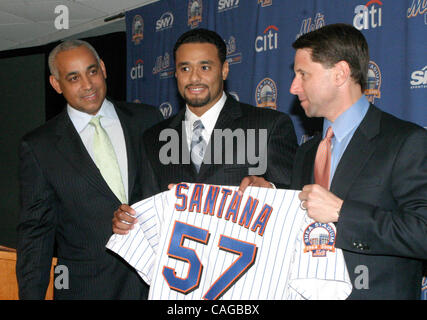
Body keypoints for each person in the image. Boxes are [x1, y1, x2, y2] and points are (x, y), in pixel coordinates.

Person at [16, 40, 163, 299]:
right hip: (87, 289)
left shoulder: (148, 120)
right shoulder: (40, 146)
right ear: (56, 84)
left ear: (103, 69)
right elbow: (36, 233)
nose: (87, 85)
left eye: (92, 71)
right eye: (73, 78)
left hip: (155, 285)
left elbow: (172, 192)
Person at [288, 23, 426, 299]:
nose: (293, 87)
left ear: (340, 74)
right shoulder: (306, 153)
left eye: (303, 74)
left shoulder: (405, 141)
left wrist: (342, 213)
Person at [113, 28, 298, 234]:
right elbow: (145, 209)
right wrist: (128, 220)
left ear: (224, 70)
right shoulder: (153, 139)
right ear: (175, 73)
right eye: (185, 69)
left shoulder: (268, 125)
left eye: (205, 67)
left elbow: (295, 199)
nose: (194, 78)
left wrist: (270, 190)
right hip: (179, 263)